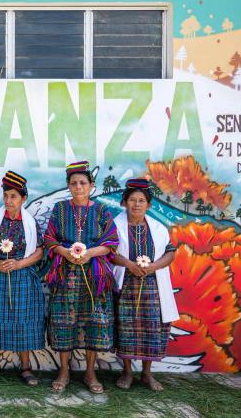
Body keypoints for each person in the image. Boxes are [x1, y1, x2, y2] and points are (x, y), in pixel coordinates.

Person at [44, 161, 119, 394]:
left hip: (94, 278)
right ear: (68, 186)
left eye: (83, 183)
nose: (78, 187)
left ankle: (90, 372)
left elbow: (111, 242)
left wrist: (89, 254)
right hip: (66, 275)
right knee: (64, 321)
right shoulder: (60, 209)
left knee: (94, 322)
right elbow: (49, 238)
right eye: (74, 183)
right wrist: (65, 252)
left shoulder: (102, 211)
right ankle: (64, 371)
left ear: (91, 185)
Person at [0, 171, 45, 386]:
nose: (8, 201)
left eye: (13, 196)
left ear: (24, 199)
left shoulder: (30, 223)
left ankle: (25, 367)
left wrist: (18, 264)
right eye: (6, 196)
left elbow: (40, 251)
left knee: (22, 320)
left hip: (22, 276)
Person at [112, 178, 178, 392]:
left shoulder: (159, 229)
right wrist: (129, 264)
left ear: (148, 205)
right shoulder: (114, 226)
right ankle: (127, 372)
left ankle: (147, 373)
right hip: (127, 284)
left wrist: (153, 267)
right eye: (132, 200)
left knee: (151, 327)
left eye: (141, 200)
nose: (137, 204)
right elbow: (109, 253)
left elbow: (170, 252)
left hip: (152, 285)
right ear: (124, 202)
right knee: (126, 327)